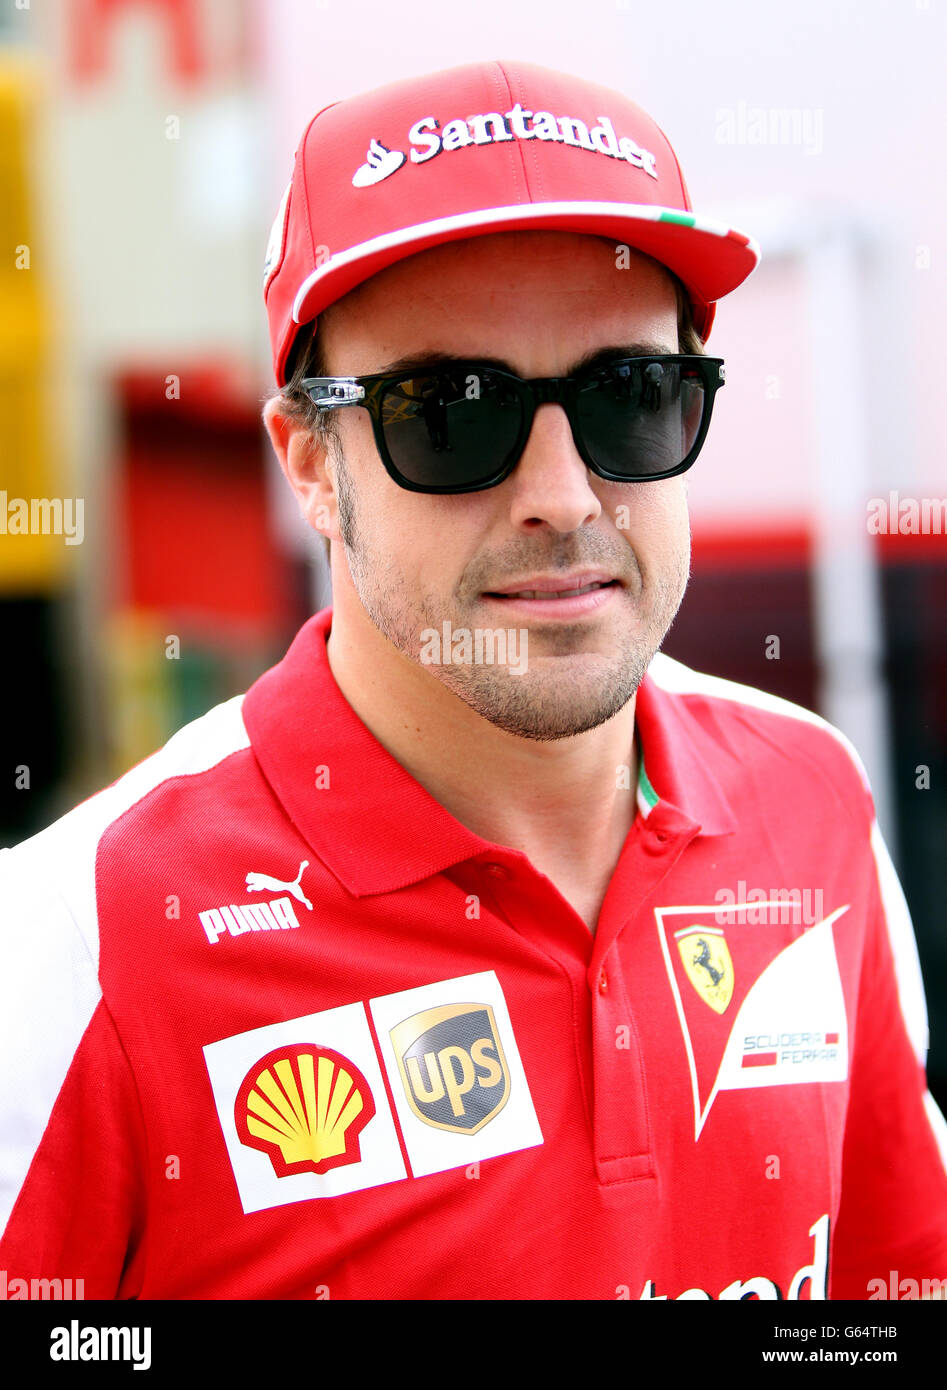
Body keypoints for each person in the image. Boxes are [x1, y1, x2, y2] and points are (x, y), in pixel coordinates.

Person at [2, 58, 946, 1302]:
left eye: (631, 394)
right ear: (311, 464)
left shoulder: (811, 803)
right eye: (448, 411)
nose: (560, 499)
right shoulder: (81, 939)